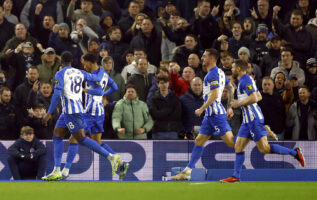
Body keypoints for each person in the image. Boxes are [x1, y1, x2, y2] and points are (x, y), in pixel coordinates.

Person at [220, 59, 306, 183]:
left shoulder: (246, 80)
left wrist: (239, 104)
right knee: (238, 148)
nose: (231, 70)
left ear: (239, 69)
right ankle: (236, 176)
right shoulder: (243, 81)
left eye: (233, 68)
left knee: (264, 149)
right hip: (247, 121)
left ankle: (295, 153)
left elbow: (255, 98)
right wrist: (234, 107)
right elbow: (259, 96)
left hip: (254, 119)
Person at [41, 51, 120, 181]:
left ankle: (111, 157)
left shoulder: (60, 73)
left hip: (72, 112)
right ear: (72, 61)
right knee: (57, 135)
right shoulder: (79, 72)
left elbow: (56, 94)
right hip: (70, 111)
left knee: (81, 139)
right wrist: (100, 69)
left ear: (61, 62)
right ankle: (57, 170)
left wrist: (49, 112)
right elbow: (97, 79)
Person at [61, 53, 129, 180]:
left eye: (85, 63)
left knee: (74, 138)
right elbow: (114, 87)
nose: (84, 65)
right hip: (100, 112)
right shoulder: (104, 74)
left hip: (90, 112)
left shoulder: (93, 76)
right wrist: (103, 96)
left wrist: (87, 91)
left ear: (90, 62)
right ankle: (120, 163)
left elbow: (98, 90)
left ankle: (65, 171)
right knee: (97, 141)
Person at [171, 48, 235, 181]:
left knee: (232, 143)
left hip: (216, 114)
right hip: (210, 116)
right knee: (199, 141)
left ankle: (254, 135)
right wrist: (229, 107)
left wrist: (201, 108)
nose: (202, 58)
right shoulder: (220, 72)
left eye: (205, 56)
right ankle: (187, 171)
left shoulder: (212, 74)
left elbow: (215, 94)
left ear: (212, 58)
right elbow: (231, 88)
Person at [148, 75, 182, 139]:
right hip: (158, 131)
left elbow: (177, 115)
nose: (164, 85)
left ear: (168, 84)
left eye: (166, 82)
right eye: (162, 83)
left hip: (172, 131)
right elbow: (155, 115)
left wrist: (161, 113)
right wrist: (169, 110)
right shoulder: (153, 99)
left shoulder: (175, 98)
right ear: (158, 84)